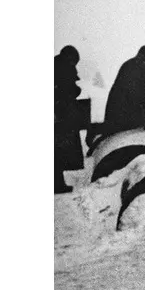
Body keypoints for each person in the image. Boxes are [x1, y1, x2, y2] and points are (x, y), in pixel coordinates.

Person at [54, 45, 84, 194]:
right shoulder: (64, 68)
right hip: (60, 115)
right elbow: (68, 90)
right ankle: (57, 185)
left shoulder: (56, 65)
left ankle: (58, 183)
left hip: (58, 114)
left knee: (57, 150)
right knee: (58, 150)